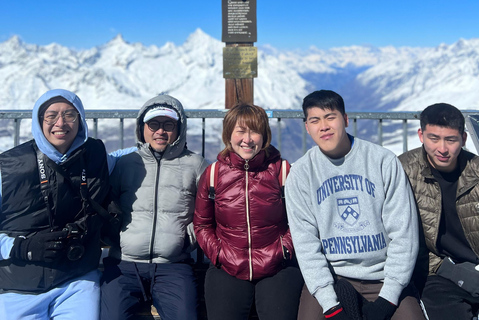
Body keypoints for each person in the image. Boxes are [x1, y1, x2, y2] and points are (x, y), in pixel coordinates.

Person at [285, 90, 425, 320]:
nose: (324, 126)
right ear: (307, 127)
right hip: (333, 280)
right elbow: (306, 244)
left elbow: (404, 234)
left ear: (346, 119)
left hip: (385, 278)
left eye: (330, 117)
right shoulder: (301, 173)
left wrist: (388, 299)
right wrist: (330, 305)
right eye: (315, 120)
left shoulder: (382, 161)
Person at [0, 89, 126, 319]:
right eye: (51, 116)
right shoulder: (8, 169)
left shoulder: (94, 158)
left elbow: (128, 156)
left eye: (70, 114)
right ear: (39, 121)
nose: (61, 123)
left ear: (80, 120)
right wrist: (21, 248)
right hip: (19, 287)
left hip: (76, 281)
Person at [100, 94, 208, 320]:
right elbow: (107, 205)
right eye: (154, 124)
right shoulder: (127, 163)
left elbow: (208, 210)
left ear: (179, 129)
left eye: (168, 125)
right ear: (142, 128)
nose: (160, 131)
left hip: (173, 266)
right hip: (124, 265)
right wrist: (116, 237)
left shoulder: (195, 165)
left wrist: (186, 239)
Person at [194, 103, 304, 320]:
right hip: (228, 264)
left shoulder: (282, 171)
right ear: (229, 134)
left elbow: (300, 221)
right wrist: (219, 254)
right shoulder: (214, 173)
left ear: (265, 136)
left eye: (254, 131)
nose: (247, 139)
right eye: (240, 131)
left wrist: (283, 250)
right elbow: (202, 224)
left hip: (277, 265)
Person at [398, 103, 479, 319]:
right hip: (436, 271)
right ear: (421, 135)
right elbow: (399, 236)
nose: (442, 149)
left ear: (463, 139)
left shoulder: (477, 171)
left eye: (450, 140)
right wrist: (453, 272)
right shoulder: (404, 170)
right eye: (434, 138)